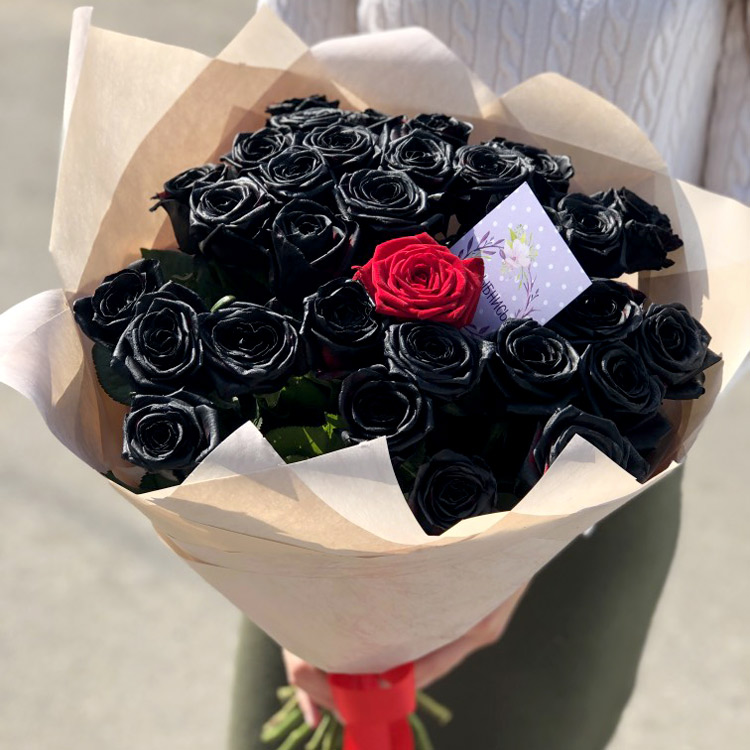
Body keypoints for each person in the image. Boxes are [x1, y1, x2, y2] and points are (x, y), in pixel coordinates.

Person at [229, 1, 750, 747]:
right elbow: (292, 93)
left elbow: (736, 236)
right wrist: (301, 566)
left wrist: (530, 535)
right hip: (318, 479)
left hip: (606, 461)